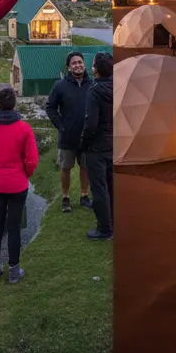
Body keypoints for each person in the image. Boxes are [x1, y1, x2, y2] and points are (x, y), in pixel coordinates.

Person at [0, 86, 39, 284]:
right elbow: (32, 160)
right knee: (13, 227)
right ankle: (14, 271)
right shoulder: (24, 129)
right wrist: (25, 175)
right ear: (14, 103)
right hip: (17, 185)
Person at [45, 51, 94, 213]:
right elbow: (50, 107)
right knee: (65, 167)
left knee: (85, 167)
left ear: (84, 64)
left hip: (87, 136)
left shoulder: (92, 85)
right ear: (68, 67)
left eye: (80, 62)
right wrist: (61, 125)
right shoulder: (60, 86)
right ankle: (65, 198)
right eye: (74, 63)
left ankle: (84, 195)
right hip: (67, 136)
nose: (78, 65)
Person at [80, 52, 114, 240]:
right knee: (111, 186)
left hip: (97, 147)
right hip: (112, 144)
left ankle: (104, 229)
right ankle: (113, 223)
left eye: (93, 65)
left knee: (99, 189)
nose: (91, 68)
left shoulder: (95, 90)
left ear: (98, 70)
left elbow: (91, 122)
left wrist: (84, 142)